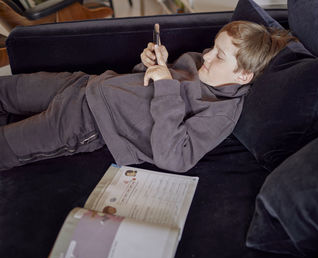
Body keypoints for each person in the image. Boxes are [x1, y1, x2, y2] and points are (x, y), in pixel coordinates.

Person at [0, 20, 296, 172]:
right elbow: (144, 84)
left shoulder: (220, 112)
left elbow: (174, 158)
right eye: (212, 47)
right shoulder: (197, 62)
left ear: (243, 75)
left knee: (7, 145)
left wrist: (167, 84)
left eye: (219, 56)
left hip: (89, 123)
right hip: (85, 85)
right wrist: (151, 64)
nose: (206, 55)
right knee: (7, 89)